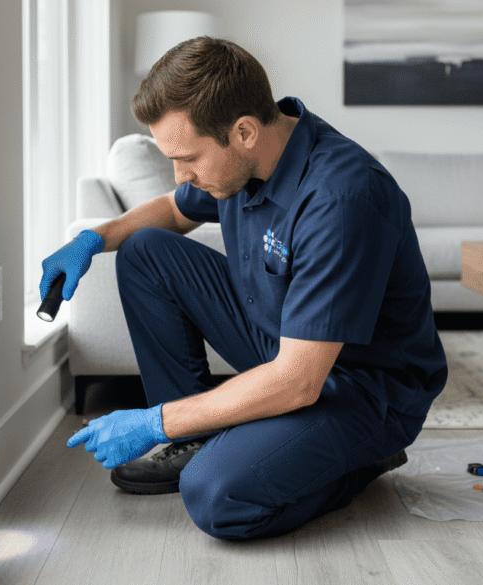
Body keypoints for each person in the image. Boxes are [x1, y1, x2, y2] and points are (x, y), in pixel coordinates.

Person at [39, 37, 447, 541]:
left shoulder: (342, 198)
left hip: (362, 387)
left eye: (188, 158)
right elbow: (172, 208)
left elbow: (300, 381)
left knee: (215, 496)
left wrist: (155, 422)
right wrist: (91, 238)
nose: (180, 174)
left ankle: (358, 462)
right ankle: (199, 436)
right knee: (146, 251)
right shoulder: (242, 162)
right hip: (287, 342)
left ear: (244, 131)